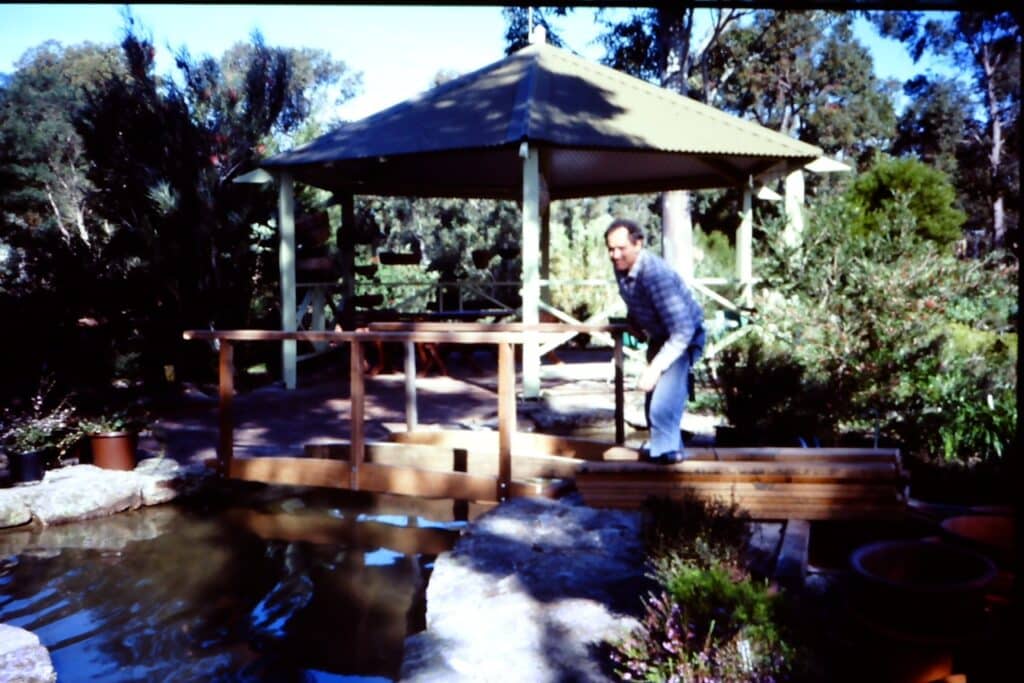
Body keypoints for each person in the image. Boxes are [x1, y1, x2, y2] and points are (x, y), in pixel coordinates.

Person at [605, 218, 705, 464]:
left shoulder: (656, 275)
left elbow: (683, 329)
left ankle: (665, 462)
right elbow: (635, 299)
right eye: (610, 249)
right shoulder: (621, 267)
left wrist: (654, 368)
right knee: (654, 407)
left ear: (638, 244)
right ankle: (671, 455)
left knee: (662, 406)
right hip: (661, 337)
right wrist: (634, 322)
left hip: (685, 337)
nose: (615, 255)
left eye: (621, 248)